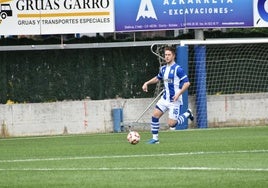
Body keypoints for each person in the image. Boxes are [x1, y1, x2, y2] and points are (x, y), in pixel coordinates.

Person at [142, 46, 194, 144]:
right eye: (165, 55)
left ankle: (188, 113)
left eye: (169, 55)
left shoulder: (178, 69)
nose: (166, 57)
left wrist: (179, 93)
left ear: (173, 56)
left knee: (172, 124)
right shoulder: (163, 69)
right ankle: (155, 139)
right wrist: (147, 83)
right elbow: (158, 78)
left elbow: (187, 83)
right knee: (155, 116)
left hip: (175, 100)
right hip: (165, 99)